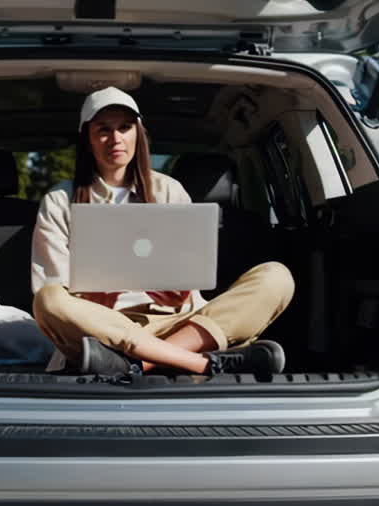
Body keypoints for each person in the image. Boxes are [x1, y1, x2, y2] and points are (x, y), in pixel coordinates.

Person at [30, 86, 295, 378]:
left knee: (277, 277)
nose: (115, 139)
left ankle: (139, 364)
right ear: (87, 139)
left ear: (138, 134)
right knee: (48, 299)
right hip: (103, 330)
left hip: (182, 323)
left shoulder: (169, 190)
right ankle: (201, 364)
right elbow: (55, 289)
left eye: (125, 128)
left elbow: (190, 275)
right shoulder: (60, 199)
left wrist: (180, 293)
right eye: (103, 130)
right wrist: (98, 298)